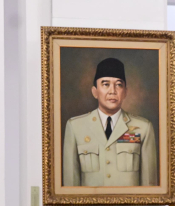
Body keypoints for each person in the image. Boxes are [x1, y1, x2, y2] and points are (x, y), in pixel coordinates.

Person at [62, 57, 158, 187]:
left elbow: (149, 185)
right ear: (94, 91)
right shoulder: (75, 127)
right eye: (105, 84)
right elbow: (70, 185)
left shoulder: (143, 128)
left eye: (118, 85)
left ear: (125, 92)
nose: (112, 91)